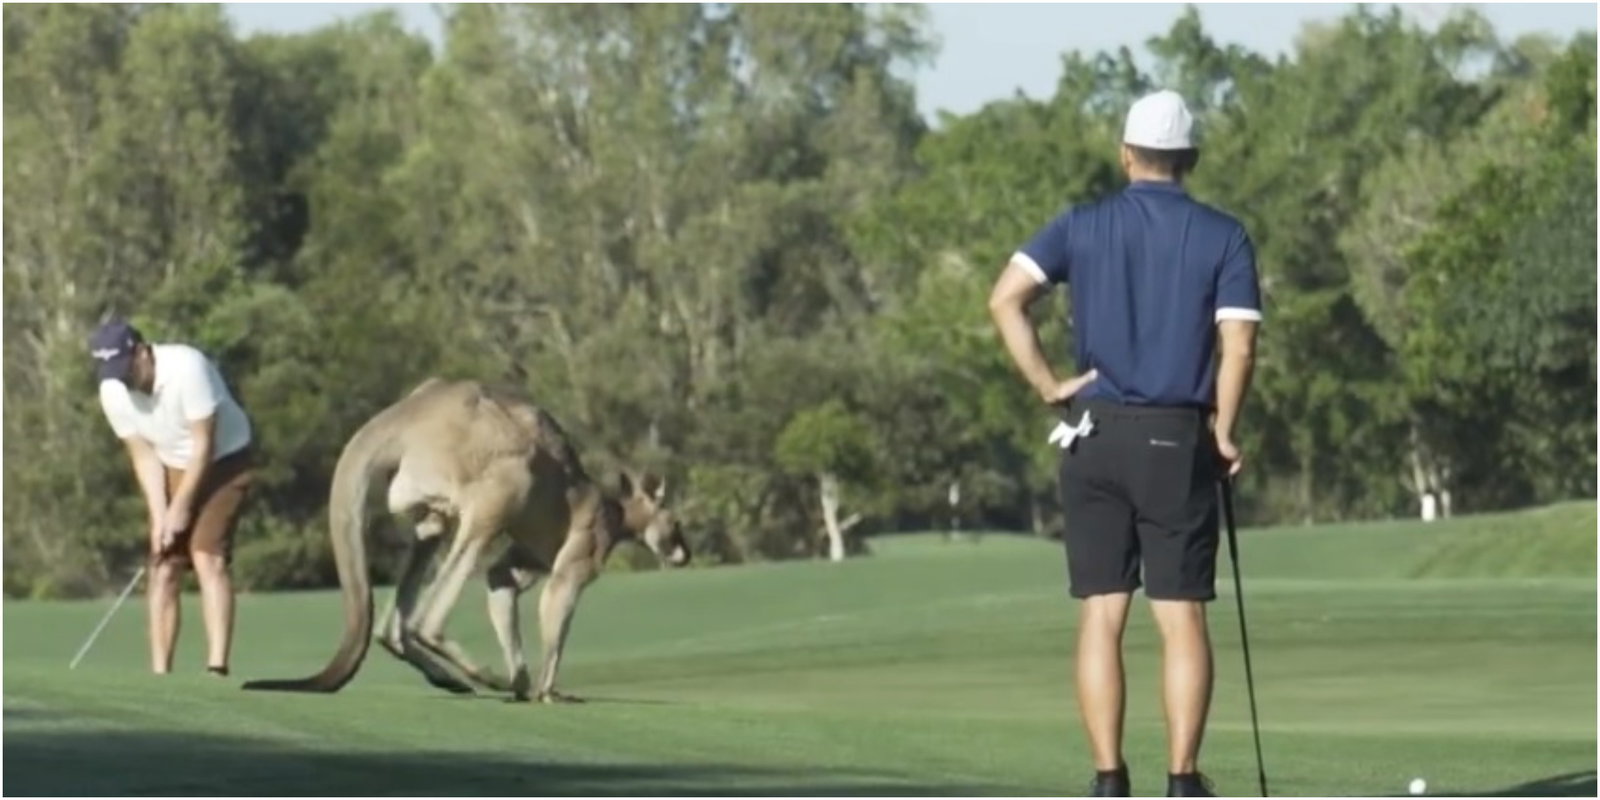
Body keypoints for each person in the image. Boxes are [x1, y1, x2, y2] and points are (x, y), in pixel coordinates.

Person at [986, 89, 1261, 798]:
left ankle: (1109, 780)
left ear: (1126, 154)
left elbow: (1004, 299)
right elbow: (1238, 343)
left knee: (1103, 612)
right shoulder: (1223, 235)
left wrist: (1049, 383)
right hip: (1175, 437)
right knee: (1180, 615)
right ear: (1190, 158)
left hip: (1093, 433)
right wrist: (1225, 429)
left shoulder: (1082, 224)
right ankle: (1182, 781)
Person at [89, 319, 257, 677]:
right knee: (163, 564)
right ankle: (161, 675)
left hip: (224, 459)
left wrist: (181, 507)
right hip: (170, 460)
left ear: (142, 351)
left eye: (126, 367)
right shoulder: (113, 390)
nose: (124, 379)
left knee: (206, 554)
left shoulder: (187, 368)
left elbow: (203, 444)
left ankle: (216, 668)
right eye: (114, 372)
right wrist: (160, 515)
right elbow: (143, 455)